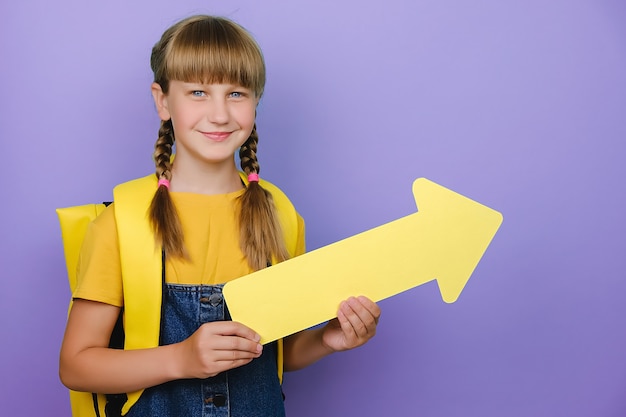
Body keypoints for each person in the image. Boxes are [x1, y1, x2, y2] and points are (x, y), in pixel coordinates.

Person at [59, 14, 380, 417]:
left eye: (236, 93)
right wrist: (181, 359)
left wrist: (329, 339)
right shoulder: (122, 222)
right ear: (162, 100)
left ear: (255, 101)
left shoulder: (279, 214)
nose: (219, 114)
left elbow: (282, 351)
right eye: (197, 92)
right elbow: (76, 364)